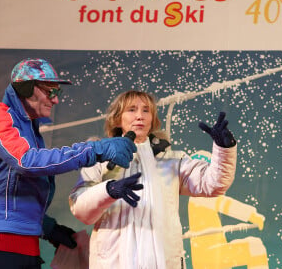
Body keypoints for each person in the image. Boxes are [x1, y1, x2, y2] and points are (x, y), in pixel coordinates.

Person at [0, 59, 136, 269]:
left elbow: (8, 189)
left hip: (23, 248)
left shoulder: (28, 129)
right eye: (50, 92)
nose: (56, 100)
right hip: (0, 248)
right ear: (26, 89)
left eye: (57, 93)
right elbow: (26, 162)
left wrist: (48, 228)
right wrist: (95, 150)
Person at [69, 90, 237, 269]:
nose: (140, 116)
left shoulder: (173, 161)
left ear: (153, 119)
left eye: (146, 111)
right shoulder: (99, 159)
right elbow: (81, 211)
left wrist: (224, 149)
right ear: (117, 119)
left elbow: (213, 184)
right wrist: (108, 191)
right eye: (132, 110)